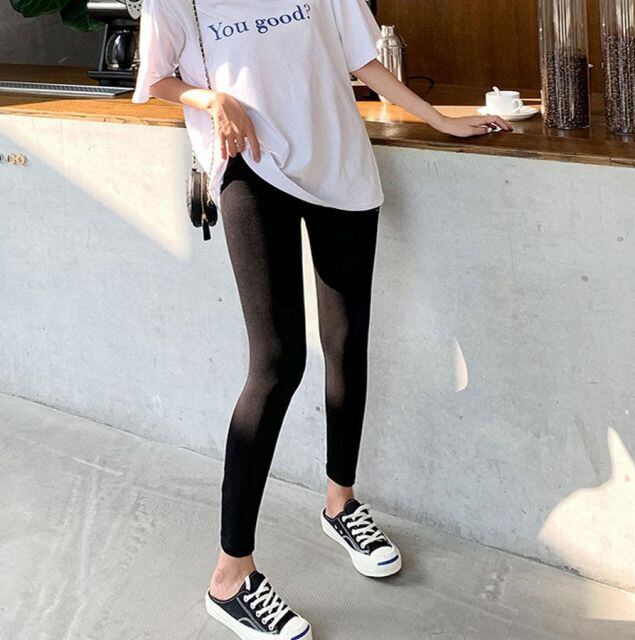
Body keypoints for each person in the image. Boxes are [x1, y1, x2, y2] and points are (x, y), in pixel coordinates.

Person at [132, 1, 512, 637]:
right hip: (252, 165)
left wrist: (439, 119)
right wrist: (209, 98)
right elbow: (157, 78)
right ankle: (230, 576)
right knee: (277, 363)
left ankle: (341, 502)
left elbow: (364, 59)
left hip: (339, 162)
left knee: (347, 339)